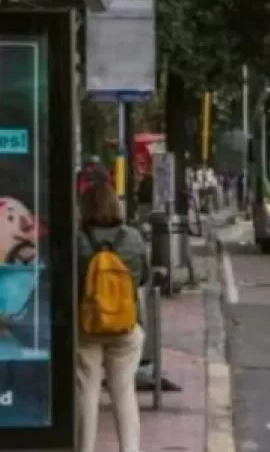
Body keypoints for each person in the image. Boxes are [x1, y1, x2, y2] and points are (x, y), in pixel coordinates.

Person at [76, 182, 148, 452]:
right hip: (125, 328)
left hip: (87, 327)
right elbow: (144, 278)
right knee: (124, 391)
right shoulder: (133, 238)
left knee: (87, 391)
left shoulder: (78, 241)